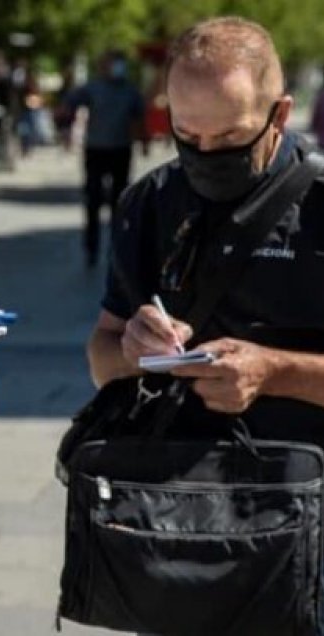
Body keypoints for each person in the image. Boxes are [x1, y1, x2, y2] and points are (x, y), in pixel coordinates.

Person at [89, 16, 324, 498]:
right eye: (188, 136)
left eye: (231, 139)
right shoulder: (148, 203)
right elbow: (102, 356)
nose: (207, 154)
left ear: (278, 116)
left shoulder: (318, 205)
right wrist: (134, 349)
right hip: (172, 505)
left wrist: (275, 372)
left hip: (303, 505)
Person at [66, 50, 147, 267]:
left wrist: (144, 141)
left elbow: (139, 117)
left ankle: (117, 249)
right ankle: (91, 249)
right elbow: (71, 104)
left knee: (120, 202)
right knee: (92, 199)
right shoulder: (92, 88)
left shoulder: (130, 91)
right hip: (96, 149)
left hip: (121, 149)